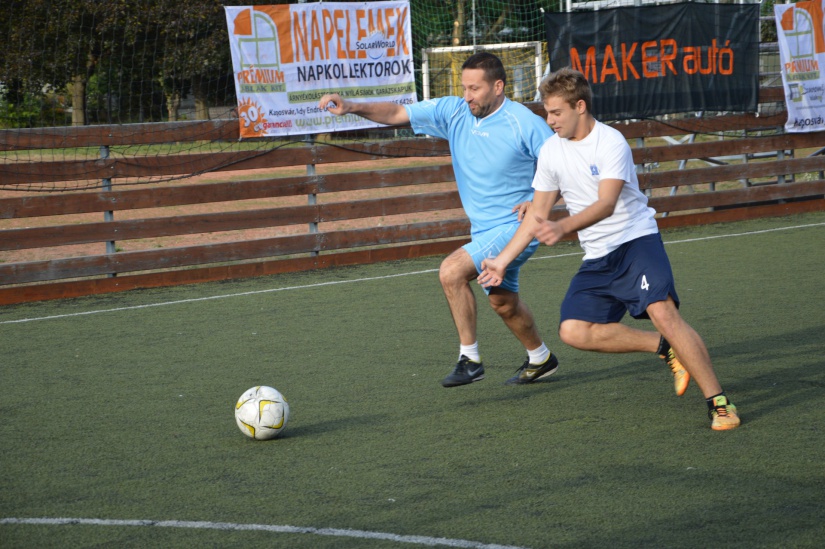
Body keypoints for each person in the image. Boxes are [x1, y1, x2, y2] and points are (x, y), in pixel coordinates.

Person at [478, 68, 740, 430]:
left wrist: (563, 226)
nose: (549, 120)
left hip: (636, 242)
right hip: (598, 255)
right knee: (573, 331)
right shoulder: (551, 151)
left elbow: (607, 203)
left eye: (556, 112)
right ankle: (665, 347)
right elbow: (537, 213)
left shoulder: (611, 142)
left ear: (580, 106)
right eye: (546, 112)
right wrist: (503, 261)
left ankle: (719, 402)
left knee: (662, 311)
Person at [318, 52, 559, 387]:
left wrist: (537, 200)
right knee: (503, 303)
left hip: (517, 227)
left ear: (498, 87)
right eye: (464, 87)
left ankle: (469, 359)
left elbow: (563, 165)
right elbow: (398, 113)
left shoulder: (524, 122)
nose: (467, 95)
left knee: (451, 271)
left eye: (475, 88)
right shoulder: (454, 111)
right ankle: (541, 358)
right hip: (483, 230)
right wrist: (351, 106)